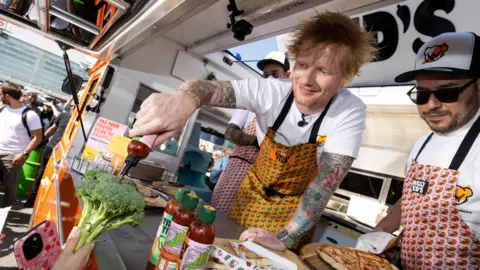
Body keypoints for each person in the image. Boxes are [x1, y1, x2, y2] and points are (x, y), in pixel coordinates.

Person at [130, 12, 376, 251]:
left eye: (323, 71)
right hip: (250, 195)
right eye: (302, 65)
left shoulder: (349, 111)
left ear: (345, 76)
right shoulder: (271, 91)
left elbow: (323, 186)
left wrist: (286, 237)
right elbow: (204, 88)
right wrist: (186, 98)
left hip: (294, 212)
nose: (306, 80)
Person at [373, 32, 480, 269]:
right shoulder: (422, 144)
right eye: (421, 94)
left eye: (447, 92)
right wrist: (381, 231)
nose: (431, 105)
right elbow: (413, 199)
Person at [211, 51, 291, 215]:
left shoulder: (290, 111)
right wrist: (258, 142)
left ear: (287, 75)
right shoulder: (251, 103)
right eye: (265, 75)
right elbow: (230, 132)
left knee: (242, 225)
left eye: (275, 74)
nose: (269, 80)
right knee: (217, 215)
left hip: (262, 178)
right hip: (235, 171)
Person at [24, 97, 74, 208]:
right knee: (41, 173)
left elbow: (51, 129)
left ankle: (39, 200)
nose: (72, 109)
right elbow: (51, 129)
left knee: (48, 176)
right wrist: (40, 141)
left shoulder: (68, 118)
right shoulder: (64, 116)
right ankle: (33, 198)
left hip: (60, 152)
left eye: (73, 107)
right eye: (72, 107)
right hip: (52, 149)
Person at [0, 84, 43, 207]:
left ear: (8, 96)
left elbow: (38, 137)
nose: (1, 96)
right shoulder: (3, 109)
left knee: (10, 187)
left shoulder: (30, 115)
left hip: (13, 156)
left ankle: (3, 214)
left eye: (2, 94)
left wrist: (24, 154)